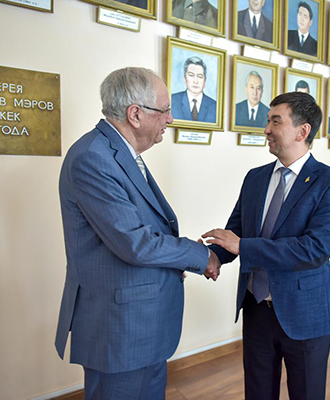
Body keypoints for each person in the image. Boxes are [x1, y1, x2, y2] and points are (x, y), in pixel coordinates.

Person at [55, 67, 221, 400]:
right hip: (119, 330)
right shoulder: (93, 158)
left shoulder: (117, 153)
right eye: (164, 110)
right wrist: (200, 255)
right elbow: (135, 243)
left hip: (143, 325)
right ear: (135, 114)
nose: (170, 119)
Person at [203, 91, 330, 400]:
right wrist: (206, 257)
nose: (266, 129)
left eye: (275, 121)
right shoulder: (255, 178)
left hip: (304, 314)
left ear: (302, 131)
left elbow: (314, 250)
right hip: (256, 310)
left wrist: (243, 247)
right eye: (267, 121)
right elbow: (236, 233)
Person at [171, 57, 217, 123]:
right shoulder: (173, 101)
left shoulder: (214, 106)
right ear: (185, 79)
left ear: (205, 81)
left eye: (200, 76)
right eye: (191, 75)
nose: (195, 81)